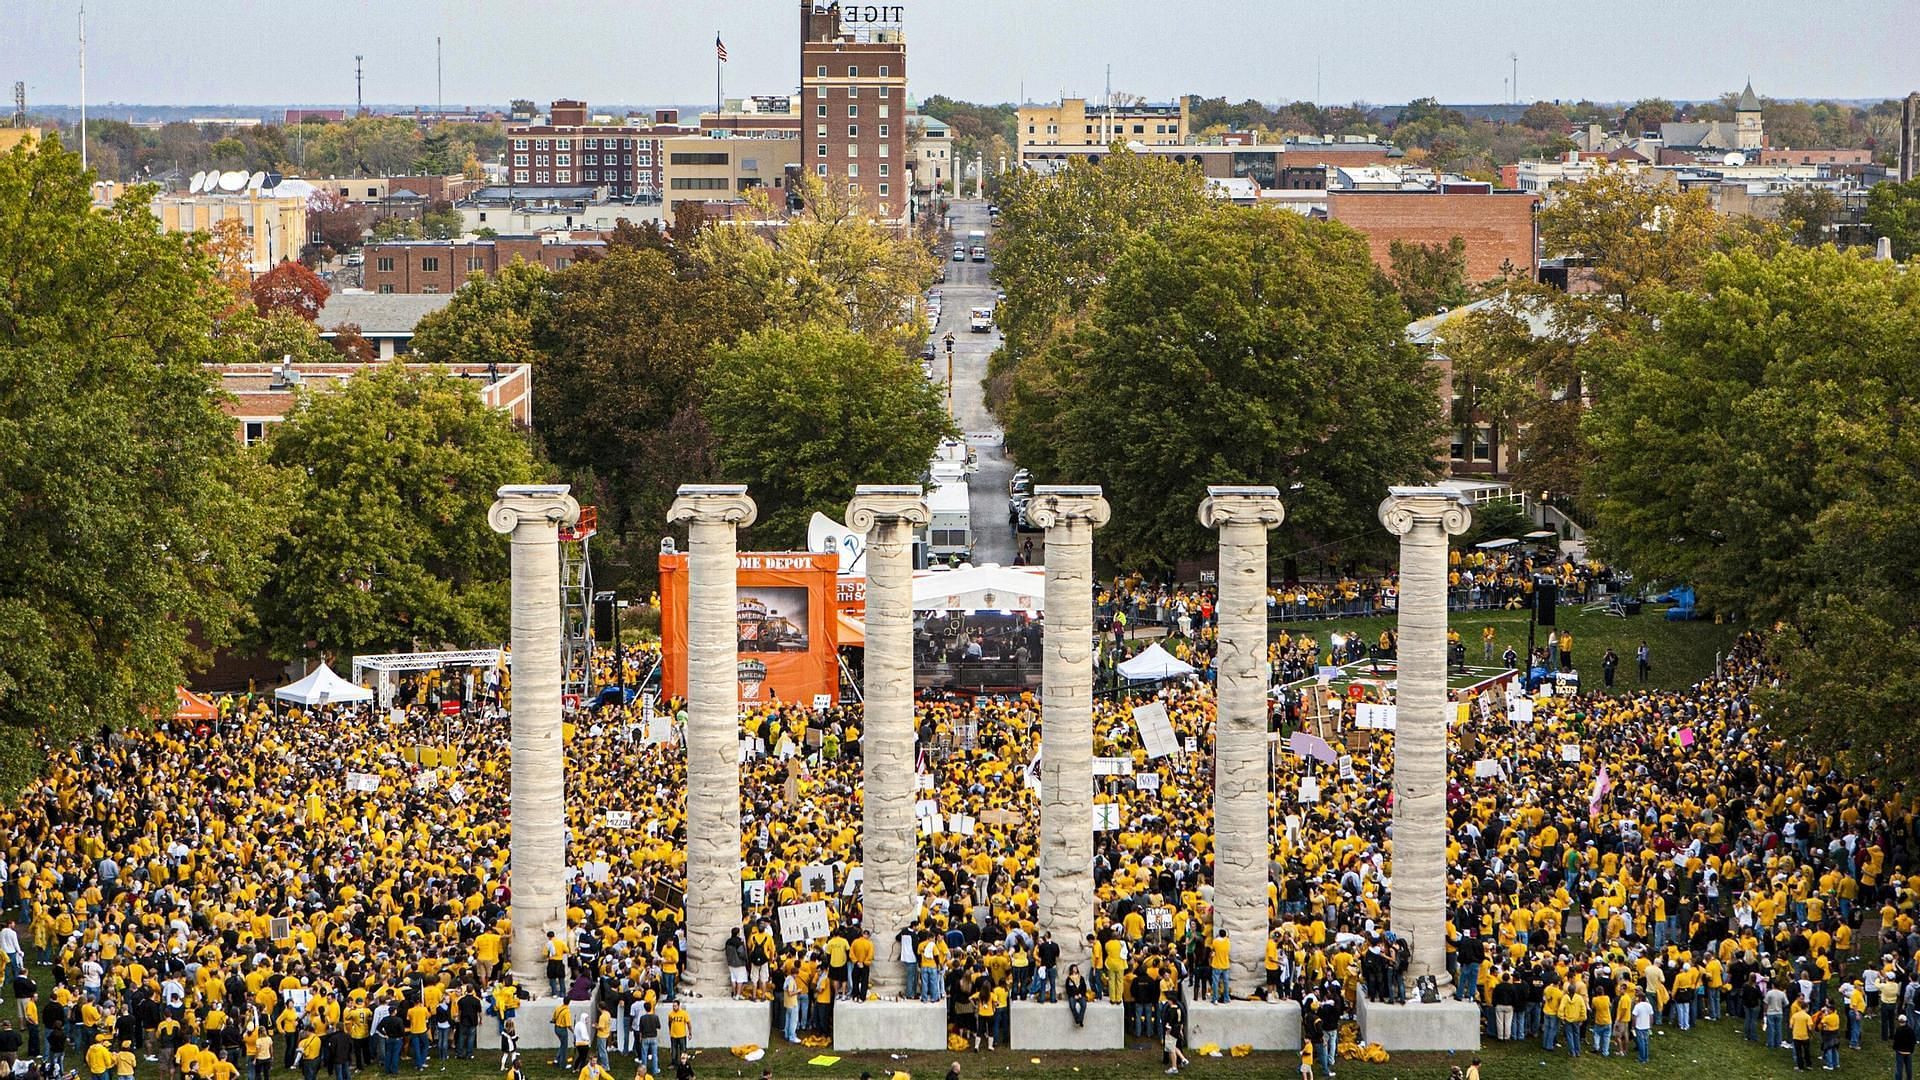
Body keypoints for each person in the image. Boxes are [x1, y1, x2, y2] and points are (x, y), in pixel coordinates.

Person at [1632, 993, 1655, 1064]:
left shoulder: (1637, 1006)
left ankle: (1641, 1058)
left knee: (1641, 1043)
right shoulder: (1649, 1005)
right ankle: (1646, 1057)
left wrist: (1633, 1026)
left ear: (1640, 998)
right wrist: (1650, 1025)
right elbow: (1651, 1016)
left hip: (1639, 1027)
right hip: (1647, 1026)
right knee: (1646, 1043)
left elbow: (1634, 1017)